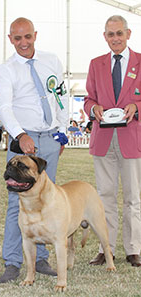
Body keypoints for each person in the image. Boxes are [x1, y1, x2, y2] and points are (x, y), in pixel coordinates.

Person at [0, 17, 68, 282]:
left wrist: (62, 132)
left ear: (35, 35)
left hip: (50, 137)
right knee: (17, 203)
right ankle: (13, 261)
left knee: (49, 201)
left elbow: (61, 96)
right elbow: (4, 107)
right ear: (10, 39)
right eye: (17, 38)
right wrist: (21, 134)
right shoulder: (7, 69)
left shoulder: (52, 61)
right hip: (23, 140)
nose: (23, 43)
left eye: (27, 37)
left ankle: (41, 259)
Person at [84, 15, 141, 267]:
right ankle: (105, 249)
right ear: (104, 36)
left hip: (132, 139)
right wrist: (92, 107)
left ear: (128, 34)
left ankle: (133, 249)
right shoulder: (96, 64)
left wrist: (136, 106)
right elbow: (88, 98)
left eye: (119, 33)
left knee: (133, 198)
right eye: (110, 34)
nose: (115, 38)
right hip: (104, 139)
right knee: (104, 197)